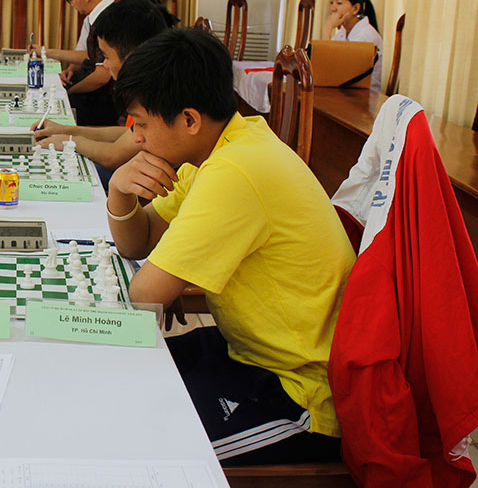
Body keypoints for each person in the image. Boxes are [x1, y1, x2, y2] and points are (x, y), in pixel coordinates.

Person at [107, 28, 356, 465]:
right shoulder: (225, 144)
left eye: (142, 123)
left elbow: (145, 295)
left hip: (300, 391)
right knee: (114, 383)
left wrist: (165, 272)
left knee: (140, 448)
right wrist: (119, 191)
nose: (137, 137)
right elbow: (138, 242)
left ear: (189, 120)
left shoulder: (234, 171)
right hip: (244, 349)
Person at [32, 0, 170, 187]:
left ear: (132, 57)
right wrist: (65, 130)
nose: (104, 64)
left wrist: (68, 140)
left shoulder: (155, 96)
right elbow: (126, 134)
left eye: (106, 56)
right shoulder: (148, 83)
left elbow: (113, 155)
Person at [321, 0, 383, 90]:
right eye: (331, 2)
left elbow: (330, 70)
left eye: (339, 3)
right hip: (344, 90)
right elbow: (322, 62)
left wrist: (328, 28)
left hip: (362, 94)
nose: (333, 9)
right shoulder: (344, 31)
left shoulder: (365, 36)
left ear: (355, 8)